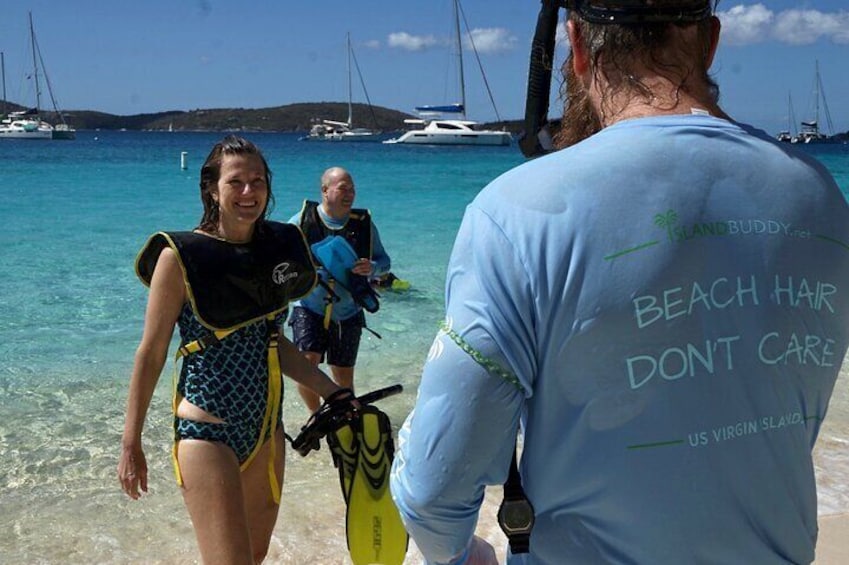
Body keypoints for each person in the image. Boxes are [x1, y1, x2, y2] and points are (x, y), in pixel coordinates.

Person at [390, 1, 849, 564]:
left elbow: (433, 491)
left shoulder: (516, 211)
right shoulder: (821, 197)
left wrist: (462, 555)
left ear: (578, 47)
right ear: (710, 42)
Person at [118, 135, 353, 564]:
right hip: (208, 432)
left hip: (266, 430)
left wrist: (333, 392)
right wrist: (130, 441)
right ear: (212, 189)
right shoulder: (179, 258)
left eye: (258, 181)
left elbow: (272, 341)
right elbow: (150, 354)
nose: (249, 191)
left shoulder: (275, 248)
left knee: (254, 556)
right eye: (236, 181)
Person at [288, 167, 391, 413]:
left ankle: (344, 419)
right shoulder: (300, 222)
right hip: (309, 307)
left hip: (348, 310)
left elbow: (385, 262)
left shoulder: (364, 226)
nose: (350, 194)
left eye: (352, 189)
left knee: (343, 377)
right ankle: (316, 416)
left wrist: (372, 267)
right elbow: (280, 261)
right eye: (343, 188)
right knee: (306, 367)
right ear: (325, 190)